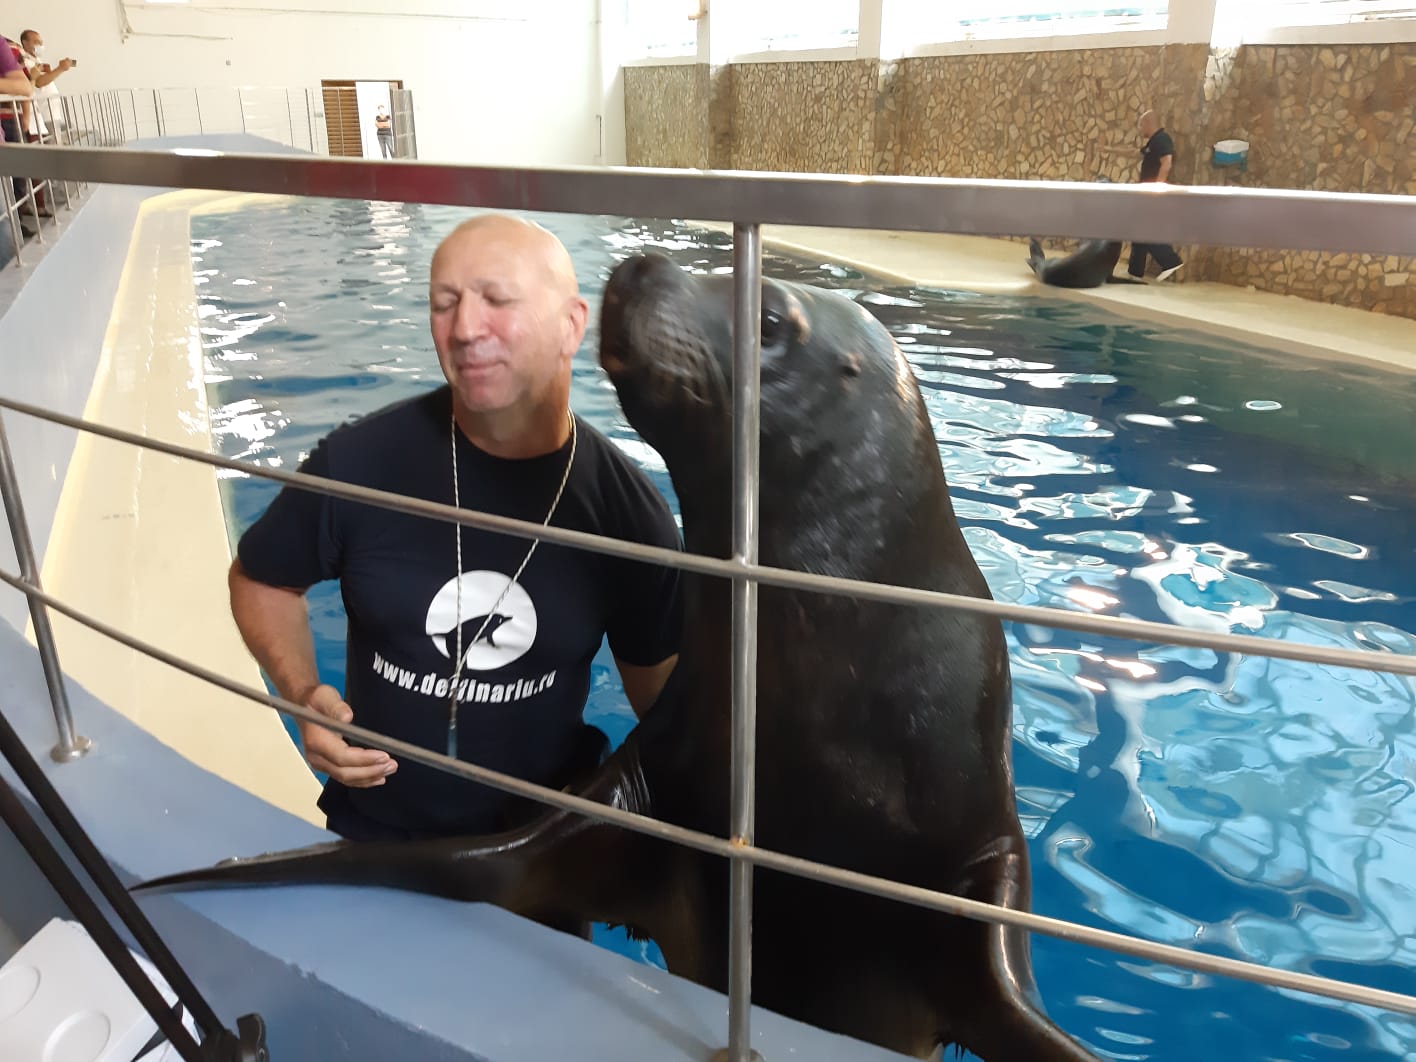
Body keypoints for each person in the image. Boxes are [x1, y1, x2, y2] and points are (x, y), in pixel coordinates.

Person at [230, 214, 683, 847]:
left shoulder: (626, 516)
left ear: (571, 325)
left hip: (542, 851)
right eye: (444, 303)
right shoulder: (359, 463)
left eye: (497, 300)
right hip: (376, 835)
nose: (465, 328)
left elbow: (665, 715)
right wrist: (303, 693)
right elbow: (261, 580)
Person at [18, 31, 75, 143]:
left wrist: (50, 72)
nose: (40, 45)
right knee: (54, 146)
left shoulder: (36, 61)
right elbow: (39, 82)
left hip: (53, 111)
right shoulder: (26, 62)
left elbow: (44, 80)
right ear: (25, 43)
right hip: (45, 112)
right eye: (36, 42)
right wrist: (60, 68)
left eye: (41, 42)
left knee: (63, 136)